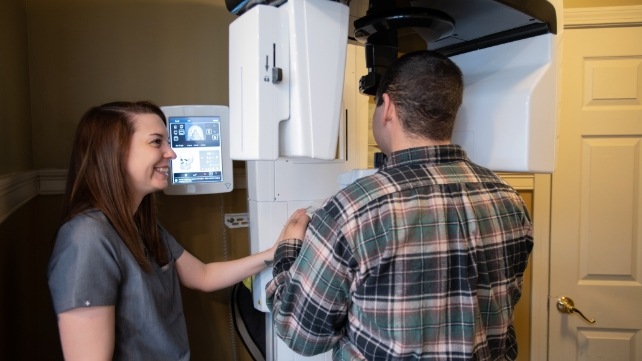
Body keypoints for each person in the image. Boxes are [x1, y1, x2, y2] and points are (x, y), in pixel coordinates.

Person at [266, 51, 533, 360]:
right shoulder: (509, 199)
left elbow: (303, 336)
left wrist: (287, 253)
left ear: (387, 107)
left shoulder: (351, 211)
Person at [47, 101, 276, 361]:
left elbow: (202, 275)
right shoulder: (87, 238)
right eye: (157, 142)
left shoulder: (138, 224)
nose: (171, 154)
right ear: (114, 150)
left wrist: (276, 252)